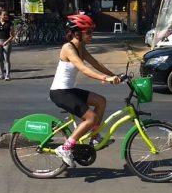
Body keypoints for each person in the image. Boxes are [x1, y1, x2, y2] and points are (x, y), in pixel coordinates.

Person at [49, 17, 120, 167]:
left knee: (101, 101)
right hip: (59, 92)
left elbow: (96, 64)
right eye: (88, 32)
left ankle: (94, 137)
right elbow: (83, 68)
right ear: (77, 34)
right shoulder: (68, 48)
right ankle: (65, 148)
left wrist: (115, 75)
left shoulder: (81, 47)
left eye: (91, 32)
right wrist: (105, 78)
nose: (91, 35)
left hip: (69, 90)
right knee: (91, 118)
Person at [0, 10, 16, 81]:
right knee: (0, 59)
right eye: (4, 15)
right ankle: (1, 74)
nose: (6, 16)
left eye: (6, 15)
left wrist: (7, 41)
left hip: (7, 41)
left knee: (6, 59)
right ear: (0, 15)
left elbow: (12, 35)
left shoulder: (9, 23)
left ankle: (7, 75)